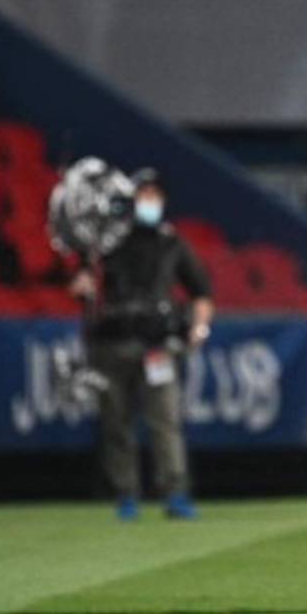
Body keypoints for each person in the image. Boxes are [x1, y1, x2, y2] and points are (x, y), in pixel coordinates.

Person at [69, 168, 214, 521]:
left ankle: (175, 492)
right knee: (115, 421)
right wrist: (82, 285)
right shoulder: (106, 241)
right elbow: (80, 281)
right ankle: (125, 494)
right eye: (143, 194)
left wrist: (199, 327)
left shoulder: (171, 243)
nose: (150, 201)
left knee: (164, 420)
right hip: (112, 342)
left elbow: (201, 292)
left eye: (155, 195)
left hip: (157, 344)